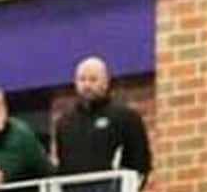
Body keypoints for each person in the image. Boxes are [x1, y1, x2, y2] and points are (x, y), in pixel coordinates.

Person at [52, 55, 152, 185]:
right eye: (82, 79)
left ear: (106, 82)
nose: (87, 85)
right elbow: (62, 165)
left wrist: (125, 191)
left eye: (93, 79)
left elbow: (140, 163)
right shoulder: (64, 123)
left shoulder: (125, 117)